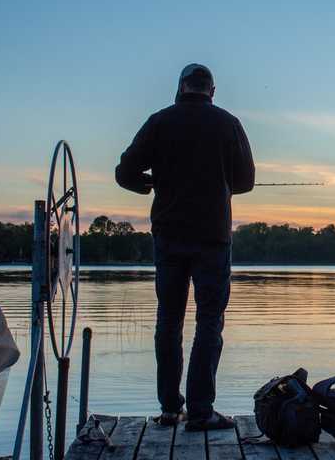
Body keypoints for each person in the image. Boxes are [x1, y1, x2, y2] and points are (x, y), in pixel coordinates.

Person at [115, 63, 255, 430]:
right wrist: (219, 181)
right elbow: (245, 181)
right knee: (209, 321)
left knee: (169, 320)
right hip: (212, 238)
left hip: (170, 237)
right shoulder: (228, 123)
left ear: (181, 88)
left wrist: (145, 184)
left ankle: (168, 407)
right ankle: (201, 410)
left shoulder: (160, 121)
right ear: (212, 90)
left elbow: (124, 171)